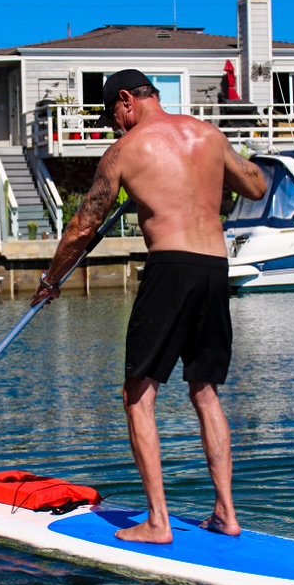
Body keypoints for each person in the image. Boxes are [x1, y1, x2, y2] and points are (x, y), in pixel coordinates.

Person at [31, 69, 267, 544]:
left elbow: (82, 226)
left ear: (126, 102)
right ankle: (226, 513)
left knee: (138, 394)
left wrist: (50, 280)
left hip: (171, 268)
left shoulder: (126, 150)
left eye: (113, 117)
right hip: (214, 268)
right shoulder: (208, 134)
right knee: (204, 392)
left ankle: (158, 521)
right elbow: (258, 186)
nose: (115, 126)